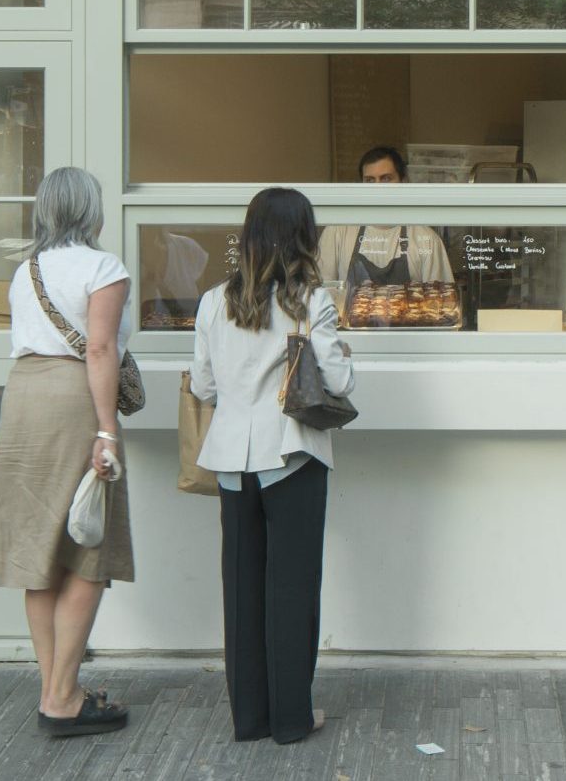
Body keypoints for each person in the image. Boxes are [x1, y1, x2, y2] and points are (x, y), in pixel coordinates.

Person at [192, 187, 354, 744]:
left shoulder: (215, 301)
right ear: (302, 236)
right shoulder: (312, 300)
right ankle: (291, 719)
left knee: (241, 590)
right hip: (292, 456)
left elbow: (204, 385)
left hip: (233, 461)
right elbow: (337, 382)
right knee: (292, 589)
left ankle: (251, 719)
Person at [0, 166, 134, 738]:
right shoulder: (103, 267)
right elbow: (99, 349)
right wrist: (106, 429)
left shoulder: (26, 271)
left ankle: (57, 690)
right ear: (90, 210)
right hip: (74, 400)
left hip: (22, 397)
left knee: (39, 550)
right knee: (85, 546)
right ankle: (63, 696)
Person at [317, 146, 455, 286]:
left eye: (386, 179)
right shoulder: (337, 232)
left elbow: (441, 301)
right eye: (370, 180)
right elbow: (322, 295)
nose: (378, 188)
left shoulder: (426, 239)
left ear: (404, 182)